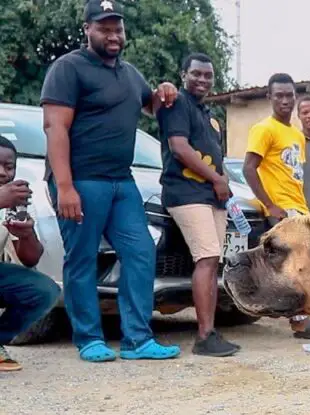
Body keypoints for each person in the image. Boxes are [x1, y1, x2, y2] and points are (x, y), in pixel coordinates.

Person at [40, 0, 181, 363]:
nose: (113, 34)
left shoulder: (130, 73)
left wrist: (164, 91)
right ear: (87, 29)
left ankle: (137, 339)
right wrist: (65, 186)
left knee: (140, 252)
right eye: (104, 28)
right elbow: (55, 128)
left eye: (117, 28)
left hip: (122, 181)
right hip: (82, 181)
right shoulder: (68, 68)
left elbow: (150, 105)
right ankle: (88, 338)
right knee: (83, 258)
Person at [244, 74, 310, 344]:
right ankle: (300, 322)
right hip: (281, 210)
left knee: (304, 264)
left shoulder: (296, 135)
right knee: (291, 266)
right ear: (270, 98)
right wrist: (270, 205)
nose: (285, 100)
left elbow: (293, 174)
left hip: (298, 207)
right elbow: (249, 168)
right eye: (279, 96)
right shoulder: (264, 129)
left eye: (290, 95)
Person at [157, 53, 239, 357]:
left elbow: (215, 154)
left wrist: (224, 183)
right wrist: (217, 180)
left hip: (210, 196)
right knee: (206, 258)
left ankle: (212, 332)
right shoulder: (176, 103)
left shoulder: (209, 115)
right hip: (187, 193)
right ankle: (204, 336)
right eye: (196, 74)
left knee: (213, 259)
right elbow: (179, 148)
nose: (203, 79)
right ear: (183, 75)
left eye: (208, 75)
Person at [0, 137, 62, 372]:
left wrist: (26, 235)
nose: (3, 173)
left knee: (44, 290)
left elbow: (30, 259)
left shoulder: (12, 201)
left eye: (9, 166)